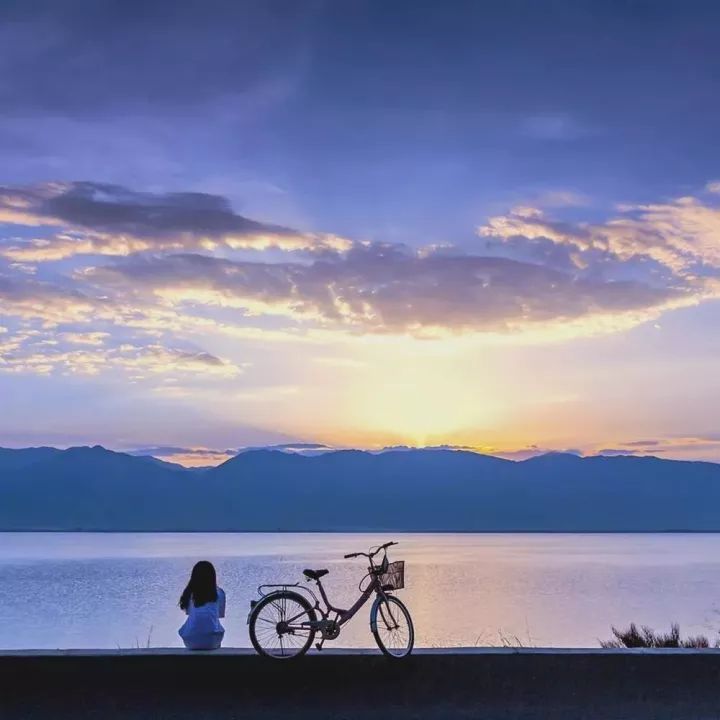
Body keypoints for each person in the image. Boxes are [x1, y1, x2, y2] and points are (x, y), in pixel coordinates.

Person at [178, 560, 226, 650]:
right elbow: (219, 615)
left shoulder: (189, 593)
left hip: (190, 641)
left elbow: (189, 613)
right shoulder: (219, 593)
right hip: (212, 641)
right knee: (217, 627)